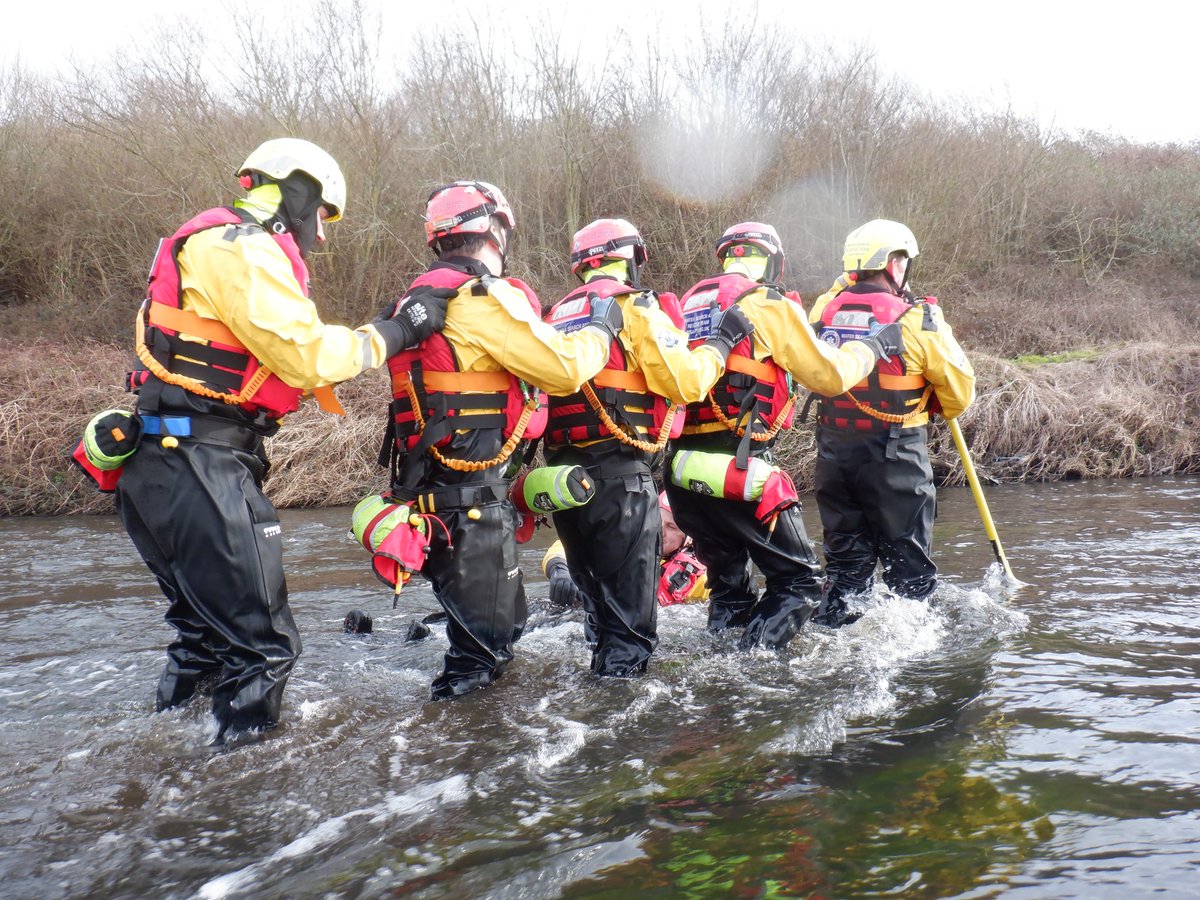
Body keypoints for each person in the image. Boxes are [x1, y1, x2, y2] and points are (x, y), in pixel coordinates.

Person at [115, 138, 451, 742]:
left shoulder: (213, 247)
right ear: (297, 193)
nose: (321, 236)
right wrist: (398, 331)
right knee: (264, 650)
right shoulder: (242, 247)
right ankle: (241, 811)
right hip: (201, 464)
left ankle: (175, 777)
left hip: (166, 462)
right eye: (321, 215)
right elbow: (307, 356)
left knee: (203, 642)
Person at [380, 182, 627, 700]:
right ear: (493, 229)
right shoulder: (482, 297)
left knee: (500, 633)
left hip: (432, 502)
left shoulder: (417, 300)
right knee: (481, 661)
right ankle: (454, 765)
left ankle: (463, 760)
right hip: (470, 508)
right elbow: (562, 368)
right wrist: (602, 330)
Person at [667, 222, 901, 649]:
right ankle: (749, 673)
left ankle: (721, 682)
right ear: (774, 261)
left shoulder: (686, 305)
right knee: (801, 585)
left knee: (730, 590)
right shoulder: (767, 303)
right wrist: (872, 347)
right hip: (738, 472)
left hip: (682, 475)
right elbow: (829, 377)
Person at [541, 217, 750, 676]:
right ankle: (622, 731)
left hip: (564, 483)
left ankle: (594, 710)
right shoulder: (635, 307)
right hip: (618, 478)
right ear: (631, 259)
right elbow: (687, 382)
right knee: (630, 633)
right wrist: (722, 341)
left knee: (597, 619)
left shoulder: (554, 315)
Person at [808, 219, 976, 626]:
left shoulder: (823, 309)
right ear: (894, 263)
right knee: (910, 576)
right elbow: (959, 397)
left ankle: (834, 636)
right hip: (895, 459)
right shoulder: (919, 319)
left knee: (846, 574)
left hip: (833, 457)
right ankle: (913, 656)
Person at [541, 491, 709, 624]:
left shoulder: (697, 578)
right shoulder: (622, 541)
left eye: (671, 527)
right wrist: (560, 570)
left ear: (688, 538)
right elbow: (566, 546)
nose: (661, 531)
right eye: (657, 520)